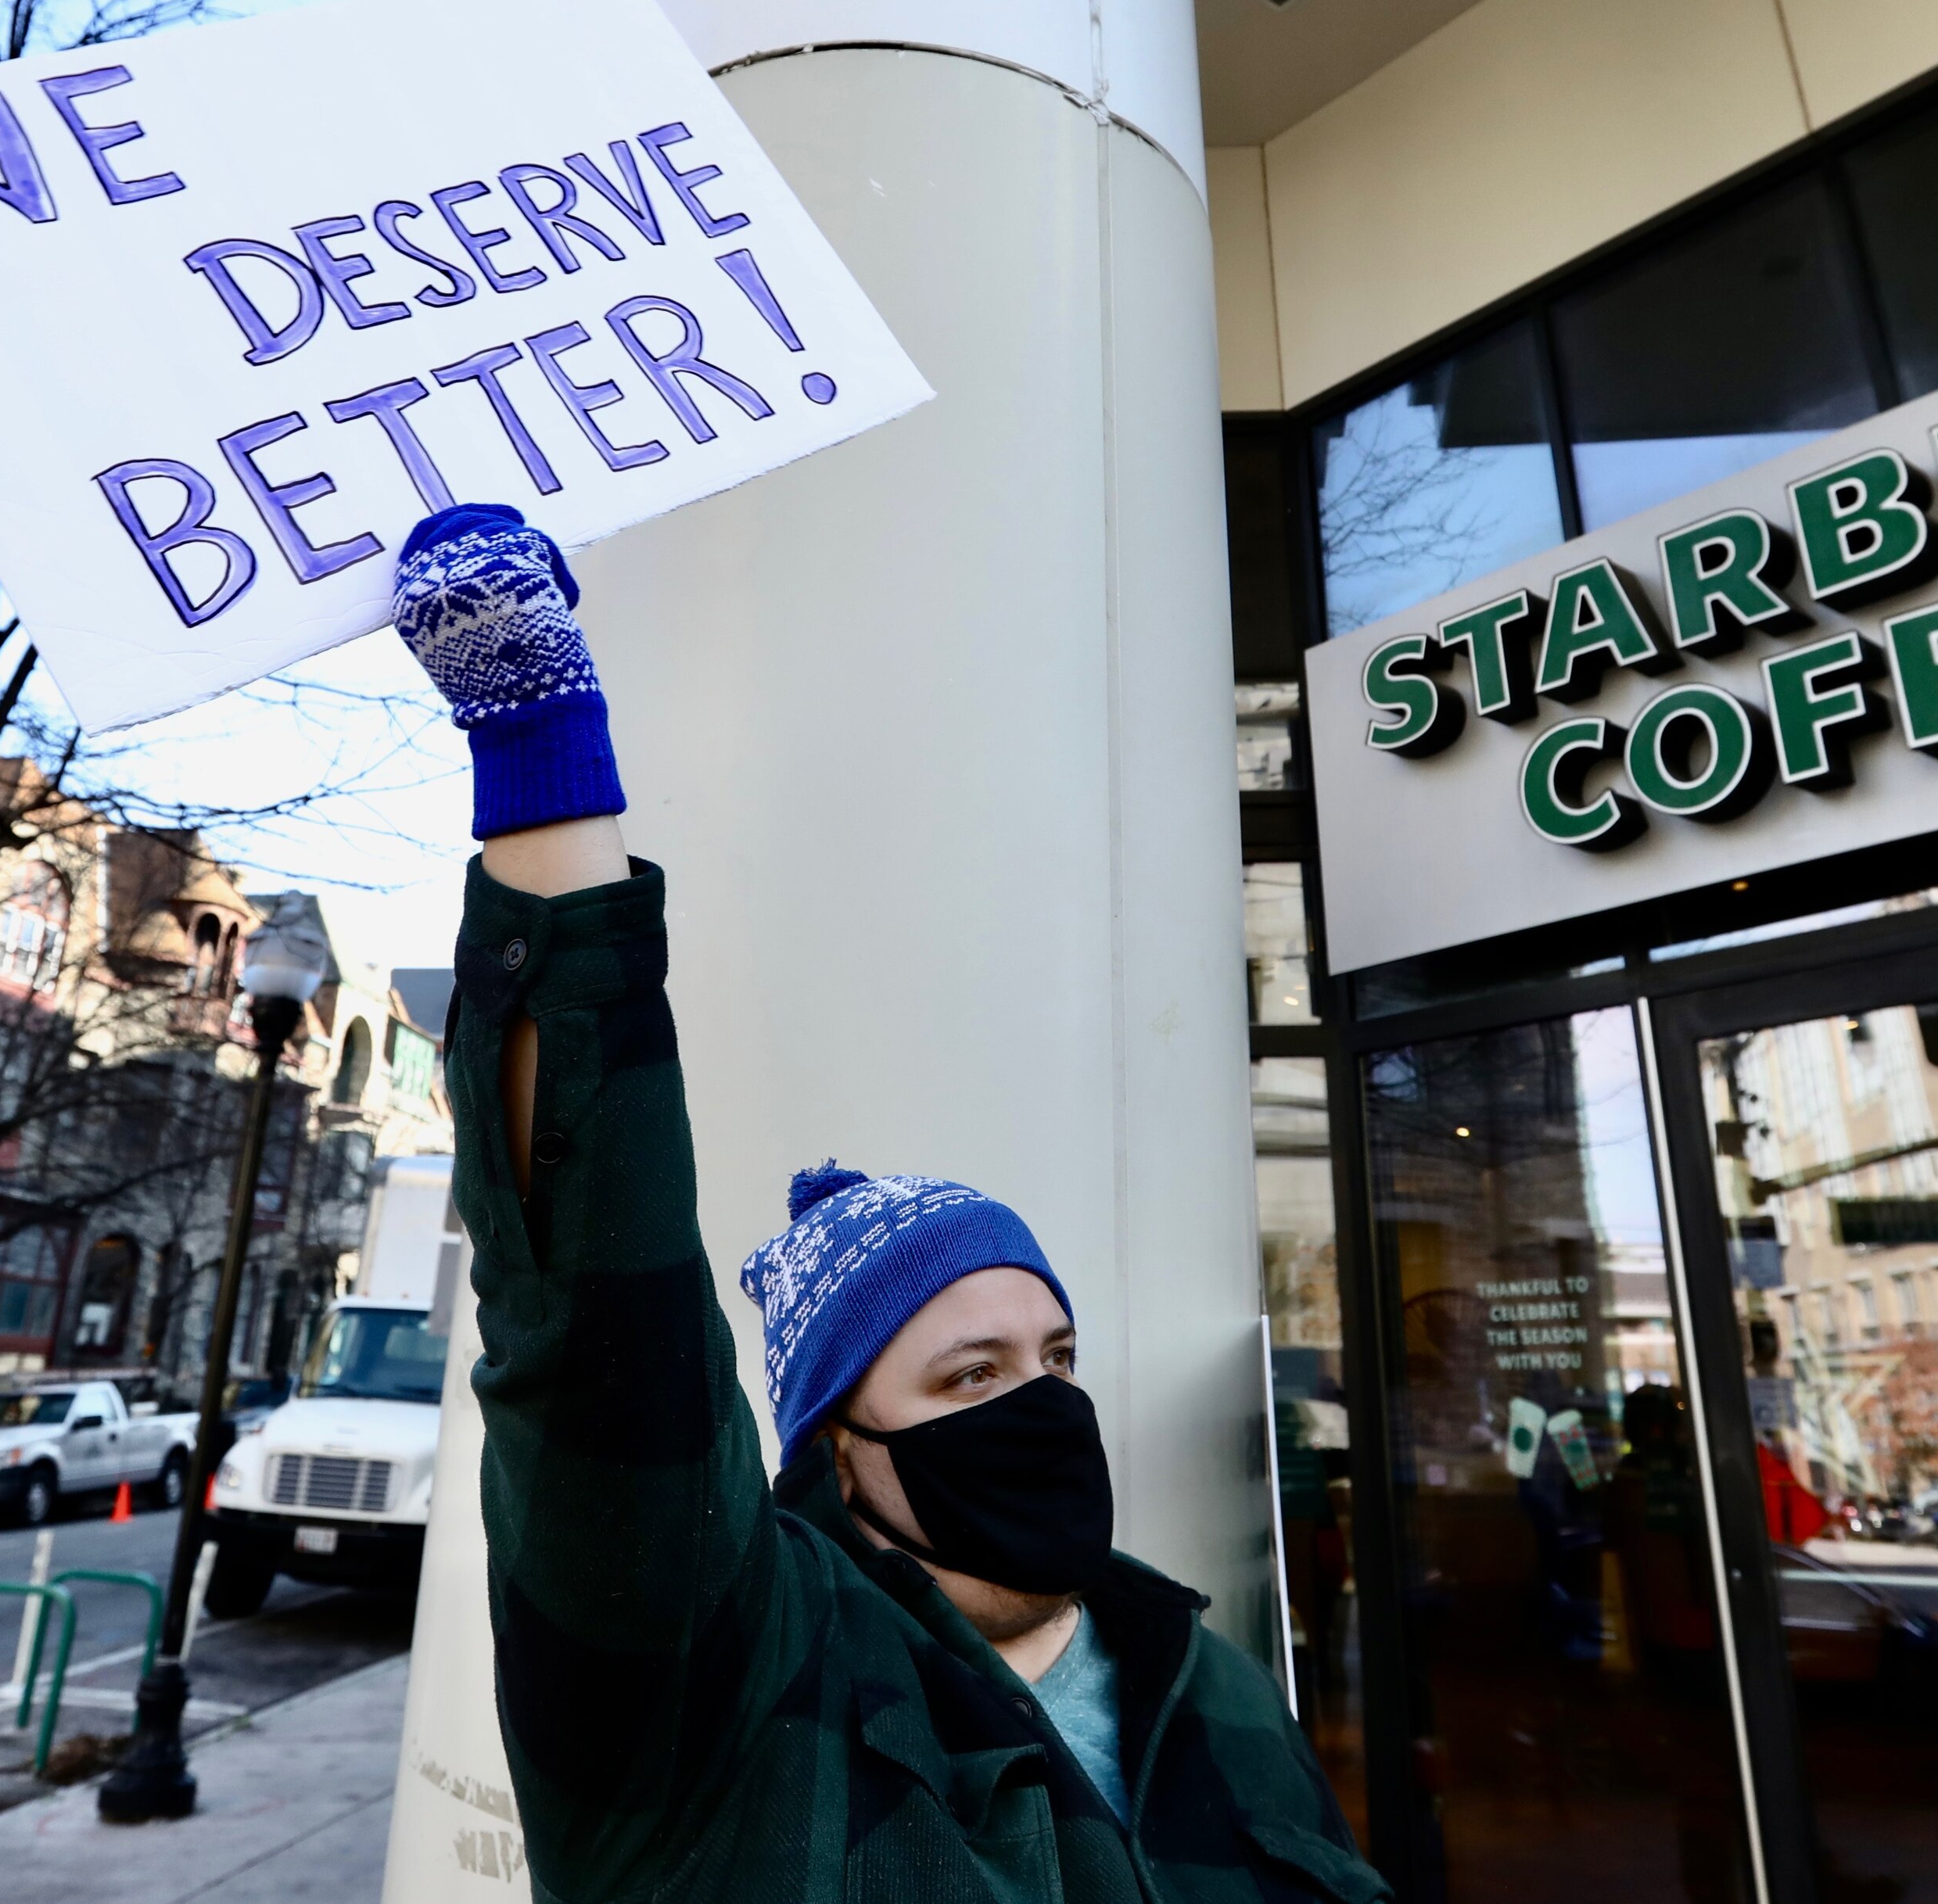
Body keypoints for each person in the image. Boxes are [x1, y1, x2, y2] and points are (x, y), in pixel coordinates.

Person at [389, 503, 1385, 1904]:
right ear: (838, 1446)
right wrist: (546, 773)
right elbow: (601, 1347)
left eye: (1053, 1358)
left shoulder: (1196, 1672)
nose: (1040, 1408)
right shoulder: (732, 1682)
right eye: (968, 1371)